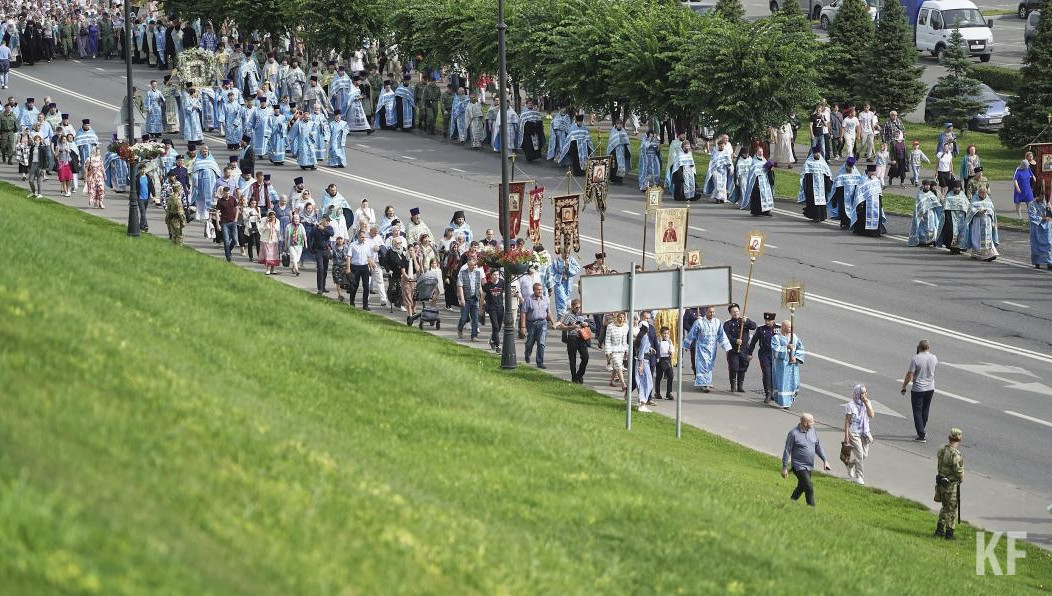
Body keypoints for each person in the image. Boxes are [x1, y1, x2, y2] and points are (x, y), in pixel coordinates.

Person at [781, 413, 831, 507]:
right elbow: (787, 450)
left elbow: (817, 446)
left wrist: (825, 460)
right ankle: (811, 510)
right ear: (805, 423)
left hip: (809, 466)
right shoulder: (793, 433)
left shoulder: (812, 431)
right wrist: (784, 468)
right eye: (811, 421)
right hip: (798, 466)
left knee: (801, 487)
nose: (814, 423)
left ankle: (790, 503)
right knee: (809, 487)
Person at [683, 306, 731, 393]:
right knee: (702, 365)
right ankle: (704, 384)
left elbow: (721, 334)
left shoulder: (717, 322)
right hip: (701, 348)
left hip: (712, 348)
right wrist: (687, 345)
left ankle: (707, 381)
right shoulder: (699, 322)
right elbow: (692, 333)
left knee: (709, 365)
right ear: (706, 312)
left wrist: (726, 346)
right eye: (710, 312)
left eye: (713, 312)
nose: (712, 314)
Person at [900, 339, 938, 442]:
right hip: (930, 388)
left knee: (917, 411)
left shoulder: (915, 358)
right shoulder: (934, 358)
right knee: (925, 410)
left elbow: (910, 374)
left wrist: (904, 386)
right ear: (928, 347)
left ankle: (921, 434)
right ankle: (922, 429)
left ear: (918, 347)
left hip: (918, 389)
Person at [935, 428, 964, 539]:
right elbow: (959, 472)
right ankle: (949, 532)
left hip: (941, 482)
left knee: (944, 507)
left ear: (949, 438)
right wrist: (960, 479)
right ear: (959, 440)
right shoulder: (955, 454)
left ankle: (939, 529)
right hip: (951, 485)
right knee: (951, 509)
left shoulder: (942, 449)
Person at [842, 383, 875, 485]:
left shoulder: (867, 402)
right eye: (862, 393)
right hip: (854, 432)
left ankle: (850, 464)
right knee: (860, 455)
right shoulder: (850, 405)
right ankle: (859, 476)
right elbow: (847, 422)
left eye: (865, 392)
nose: (864, 395)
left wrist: (866, 403)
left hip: (865, 432)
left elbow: (871, 415)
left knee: (864, 455)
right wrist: (846, 436)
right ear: (857, 394)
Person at [556, 298, 592, 384]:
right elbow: (561, 326)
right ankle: (574, 378)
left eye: (579, 307)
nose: (578, 309)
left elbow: (591, 324)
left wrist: (586, 324)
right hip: (572, 338)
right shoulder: (569, 315)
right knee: (572, 360)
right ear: (572, 307)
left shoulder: (583, 315)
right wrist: (570, 327)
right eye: (576, 307)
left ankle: (580, 374)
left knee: (585, 357)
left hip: (582, 337)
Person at [723, 303, 756, 393]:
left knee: (743, 366)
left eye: (737, 311)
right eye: (733, 312)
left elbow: (754, 326)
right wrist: (735, 341)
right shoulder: (727, 324)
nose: (735, 313)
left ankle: (740, 385)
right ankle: (733, 386)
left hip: (744, 349)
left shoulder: (744, 320)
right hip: (733, 349)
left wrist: (747, 321)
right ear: (730, 313)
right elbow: (726, 336)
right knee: (734, 367)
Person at [771, 320, 805, 408]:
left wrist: (796, 358)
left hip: (793, 366)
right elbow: (775, 351)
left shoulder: (794, 337)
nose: (791, 328)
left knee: (794, 383)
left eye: (791, 327)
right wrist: (786, 347)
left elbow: (800, 348)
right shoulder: (776, 338)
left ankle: (790, 400)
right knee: (783, 385)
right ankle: (784, 403)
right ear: (783, 327)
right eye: (789, 327)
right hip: (782, 367)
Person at [961, 188, 999, 262]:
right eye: (982, 193)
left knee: (988, 238)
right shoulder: (974, 201)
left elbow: (993, 212)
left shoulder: (989, 201)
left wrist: (993, 222)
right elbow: (970, 211)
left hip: (987, 223)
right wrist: (978, 211)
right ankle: (980, 253)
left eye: (985, 194)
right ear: (979, 193)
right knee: (978, 238)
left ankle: (989, 253)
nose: (984, 195)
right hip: (977, 223)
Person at [748, 312, 778, 403]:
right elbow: (753, 341)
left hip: (776, 355)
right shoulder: (761, 329)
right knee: (767, 374)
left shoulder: (779, 328)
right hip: (764, 355)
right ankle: (768, 393)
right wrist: (750, 353)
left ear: (773, 320)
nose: (767, 322)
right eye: (766, 320)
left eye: (769, 320)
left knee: (774, 375)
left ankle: (773, 392)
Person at [521, 282, 552, 369]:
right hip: (531, 324)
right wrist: (523, 327)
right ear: (534, 290)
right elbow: (523, 313)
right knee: (529, 343)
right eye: (538, 289)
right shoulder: (528, 299)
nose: (540, 291)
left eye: (541, 289)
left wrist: (554, 322)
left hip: (542, 323)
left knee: (541, 343)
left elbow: (548, 312)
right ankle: (527, 354)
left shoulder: (545, 299)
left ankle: (540, 362)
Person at [798, 146, 832, 222]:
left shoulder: (823, 163)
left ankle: (822, 216)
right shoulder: (808, 163)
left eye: (818, 153)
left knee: (822, 201)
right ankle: (815, 216)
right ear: (813, 154)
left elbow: (828, 175)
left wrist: (828, 185)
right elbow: (804, 175)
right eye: (815, 153)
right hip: (812, 186)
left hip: (822, 187)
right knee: (813, 200)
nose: (817, 154)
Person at [851, 165, 887, 236]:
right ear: (868, 172)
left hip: (876, 202)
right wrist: (860, 203)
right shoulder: (863, 180)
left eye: (874, 172)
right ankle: (866, 232)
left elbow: (879, 193)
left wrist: (881, 203)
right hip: (866, 203)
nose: (873, 173)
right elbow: (859, 192)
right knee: (864, 216)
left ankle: (876, 231)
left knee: (877, 216)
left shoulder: (877, 180)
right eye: (872, 172)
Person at [907, 180, 943, 247]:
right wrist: (920, 213)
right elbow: (918, 205)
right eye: (926, 185)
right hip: (922, 215)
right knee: (922, 229)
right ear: (923, 185)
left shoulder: (931, 194)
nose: (927, 186)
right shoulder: (920, 194)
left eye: (928, 185)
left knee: (932, 228)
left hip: (930, 214)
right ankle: (923, 241)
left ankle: (932, 240)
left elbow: (937, 204)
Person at [457, 257, 484, 340]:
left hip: (475, 298)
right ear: (468, 265)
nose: (473, 266)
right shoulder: (462, 273)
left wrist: (483, 297)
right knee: (464, 318)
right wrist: (462, 299)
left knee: (475, 318)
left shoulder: (478, 273)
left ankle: (474, 336)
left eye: (475, 265)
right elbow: (459, 286)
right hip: (466, 298)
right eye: (472, 265)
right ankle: (460, 328)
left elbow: (479, 286)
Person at [348, 229, 375, 309]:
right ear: (358, 237)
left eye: (364, 237)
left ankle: (365, 305)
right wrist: (348, 268)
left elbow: (369, 258)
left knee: (366, 287)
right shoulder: (353, 245)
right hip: (355, 267)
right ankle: (352, 302)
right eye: (362, 237)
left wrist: (370, 268)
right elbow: (349, 257)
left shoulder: (367, 246)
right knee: (354, 286)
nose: (363, 238)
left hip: (364, 267)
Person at [941, 180, 970, 255]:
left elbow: (967, 206)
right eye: (955, 187)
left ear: (960, 188)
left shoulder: (963, 196)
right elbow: (945, 207)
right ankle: (952, 248)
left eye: (958, 187)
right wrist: (948, 218)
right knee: (951, 232)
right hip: (951, 217)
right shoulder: (949, 195)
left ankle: (959, 248)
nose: (957, 189)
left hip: (961, 218)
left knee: (961, 233)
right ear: (953, 188)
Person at [634, 322, 656, 412]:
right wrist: (641, 365)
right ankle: (643, 404)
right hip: (644, 363)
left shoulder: (640, 337)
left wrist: (650, 349)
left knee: (642, 383)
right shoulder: (645, 337)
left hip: (640, 362)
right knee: (647, 383)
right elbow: (642, 352)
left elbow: (641, 349)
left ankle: (641, 401)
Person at [604, 312, 629, 390]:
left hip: (622, 350)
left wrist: (626, 350)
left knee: (616, 367)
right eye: (620, 317)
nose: (622, 319)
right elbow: (607, 339)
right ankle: (623, 384)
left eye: (623, 318)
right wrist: (608, 352)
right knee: (619, 366)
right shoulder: (610, 326)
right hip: (613, 350)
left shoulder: (626, 326)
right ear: (616, 317)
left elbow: (625, 339)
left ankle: (611, 380)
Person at [310, 215, 335, 294]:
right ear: (323, 220)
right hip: (318, 251)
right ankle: (320, 288)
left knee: (325, 270)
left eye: (329, 221)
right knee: (320, 269)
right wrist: (315, 227)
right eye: (326, 220)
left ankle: (323, 286)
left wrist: (323, 229)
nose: (328, 222)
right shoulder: (316, 228)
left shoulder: (329, 228)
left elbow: (331, 233)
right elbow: (310, 236)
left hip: (326, 251)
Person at [215, 186, 240, 261]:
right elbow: (217, 213)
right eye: (226, 193)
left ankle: (228, 250)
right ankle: (228, 256)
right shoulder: (220, 201)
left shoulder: (233, 199)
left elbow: (237, 209)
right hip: (224, 223)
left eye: (228, 193)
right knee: (226, 240)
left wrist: (236, 219)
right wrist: (218, 224)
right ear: (223, 193)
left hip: (233, 222)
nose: (227, 195)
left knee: (235, 240)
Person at [482, 270, 504, 352]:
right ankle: (498, 345)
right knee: (495, 326)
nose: (496, 276)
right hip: (491, 308)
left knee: (498, 327)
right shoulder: (487, 285)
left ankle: (492, 340)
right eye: (494, 275)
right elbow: (482, 298)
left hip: (500, 308)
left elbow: (505, 293)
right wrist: (481, 310)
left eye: (497, 274)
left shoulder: (502, 283)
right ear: (491, 275)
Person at [1028, 196, 1052, 269]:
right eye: (1040, 196)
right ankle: (1037, 262)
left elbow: (1050, 216)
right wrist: (1042, 218)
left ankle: (1049, 262)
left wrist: (1049, 211)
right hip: (1036, 228)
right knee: (1036, 245)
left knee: (1048, 244)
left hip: (1046, 227)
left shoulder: (1047, 203)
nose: (1042, 198)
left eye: (1043, 196)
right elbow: (1032, 216)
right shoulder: (1032, 204)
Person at [654, 326, 675, 400]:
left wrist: (671, 351)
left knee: (671, 375)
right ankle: (657, 392)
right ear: (661, 333)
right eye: (664, 333)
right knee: (659, 376)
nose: (665, 335)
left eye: (667, 333)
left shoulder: (669, 341)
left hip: (667, 359)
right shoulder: (658, 340)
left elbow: (672, 349)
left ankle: (668, 392)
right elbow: (656, 348)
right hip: (660, 359)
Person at [258, 210, 282, 274]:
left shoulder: (277, 221)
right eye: (271, 217)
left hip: (274, 240)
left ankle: (273, 269)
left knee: (274, 255)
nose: (272, 218)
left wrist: (279, 238)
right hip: (266, 240)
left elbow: (278, 230)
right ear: (268, 216)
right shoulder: (264, 220)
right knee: (268, 255)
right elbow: (260, 229)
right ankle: (268, 269)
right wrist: (266, 224)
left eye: (273, 217)